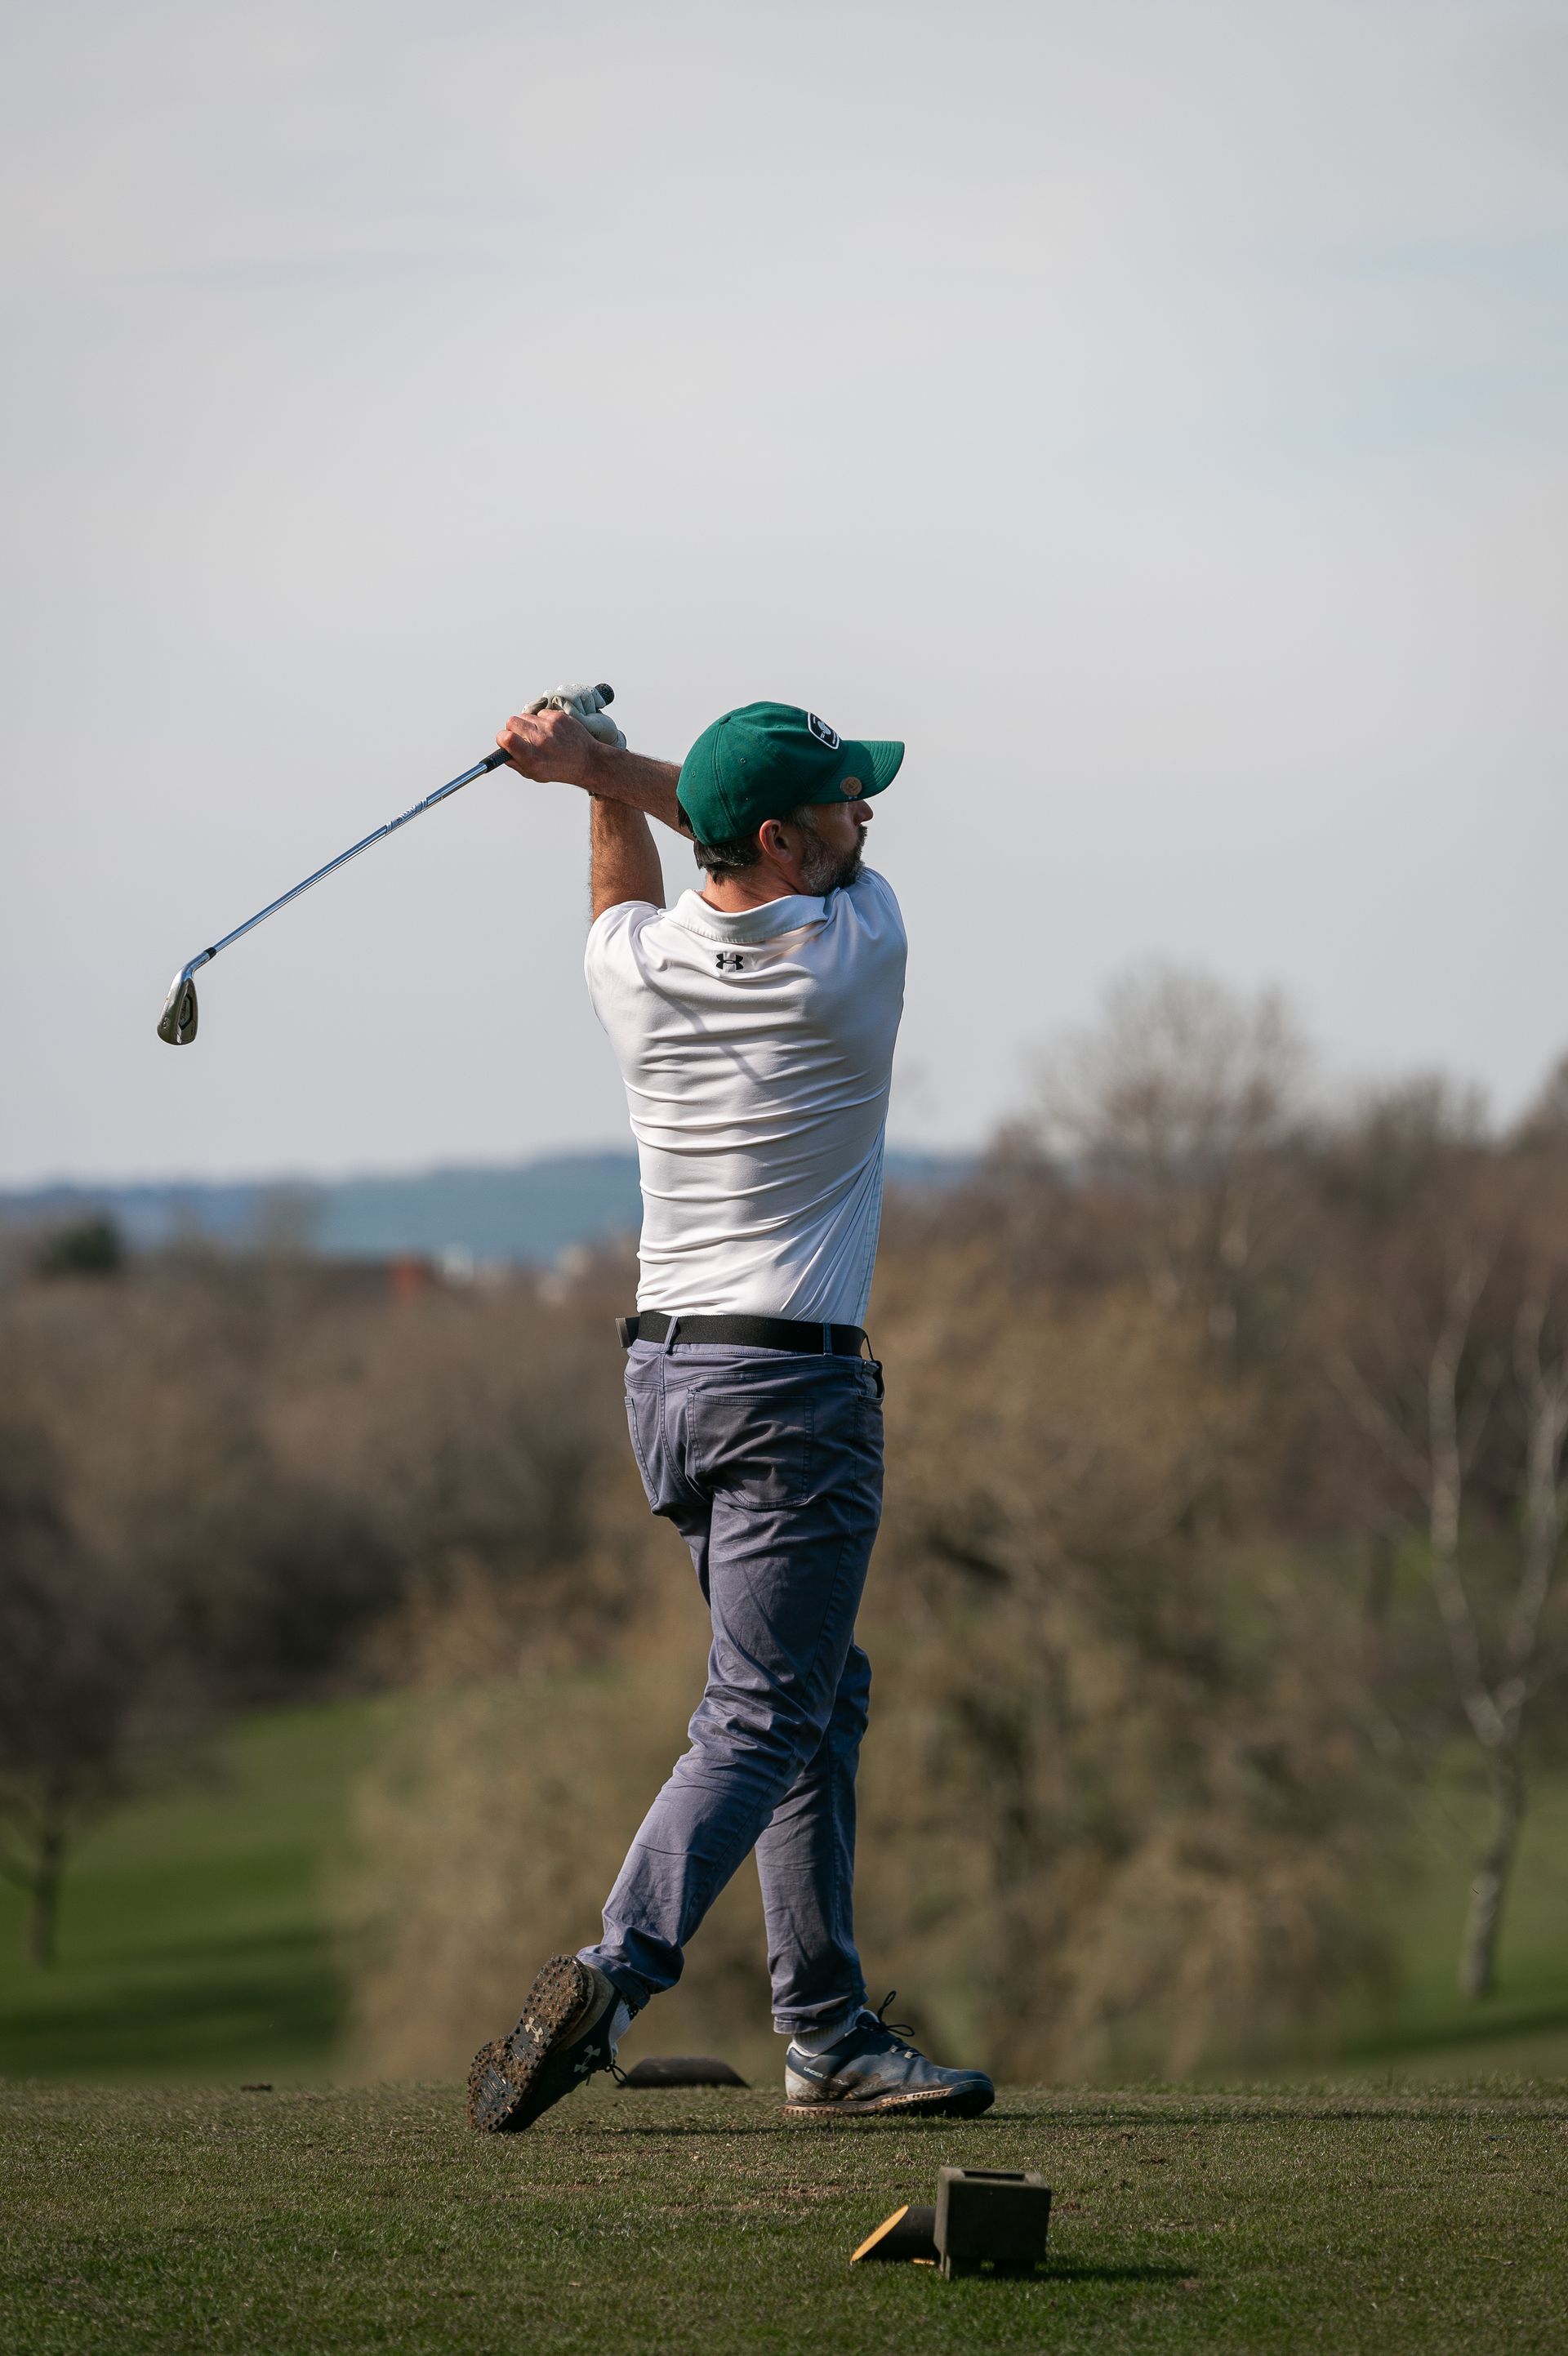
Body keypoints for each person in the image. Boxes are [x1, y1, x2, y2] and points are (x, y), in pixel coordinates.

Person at [467, 687, 993, 2130]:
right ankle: (617, 1970)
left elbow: (628, 888)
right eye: (841, 800)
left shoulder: (634, 970)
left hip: (667, 1388)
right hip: (792, 1395)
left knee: (817, 1689)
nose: (864, 813)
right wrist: (600, 765)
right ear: (781, 840)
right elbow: (688, 825)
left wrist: (586, 776)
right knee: (762, 1710)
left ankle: (826, 2033)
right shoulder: (855, 951)